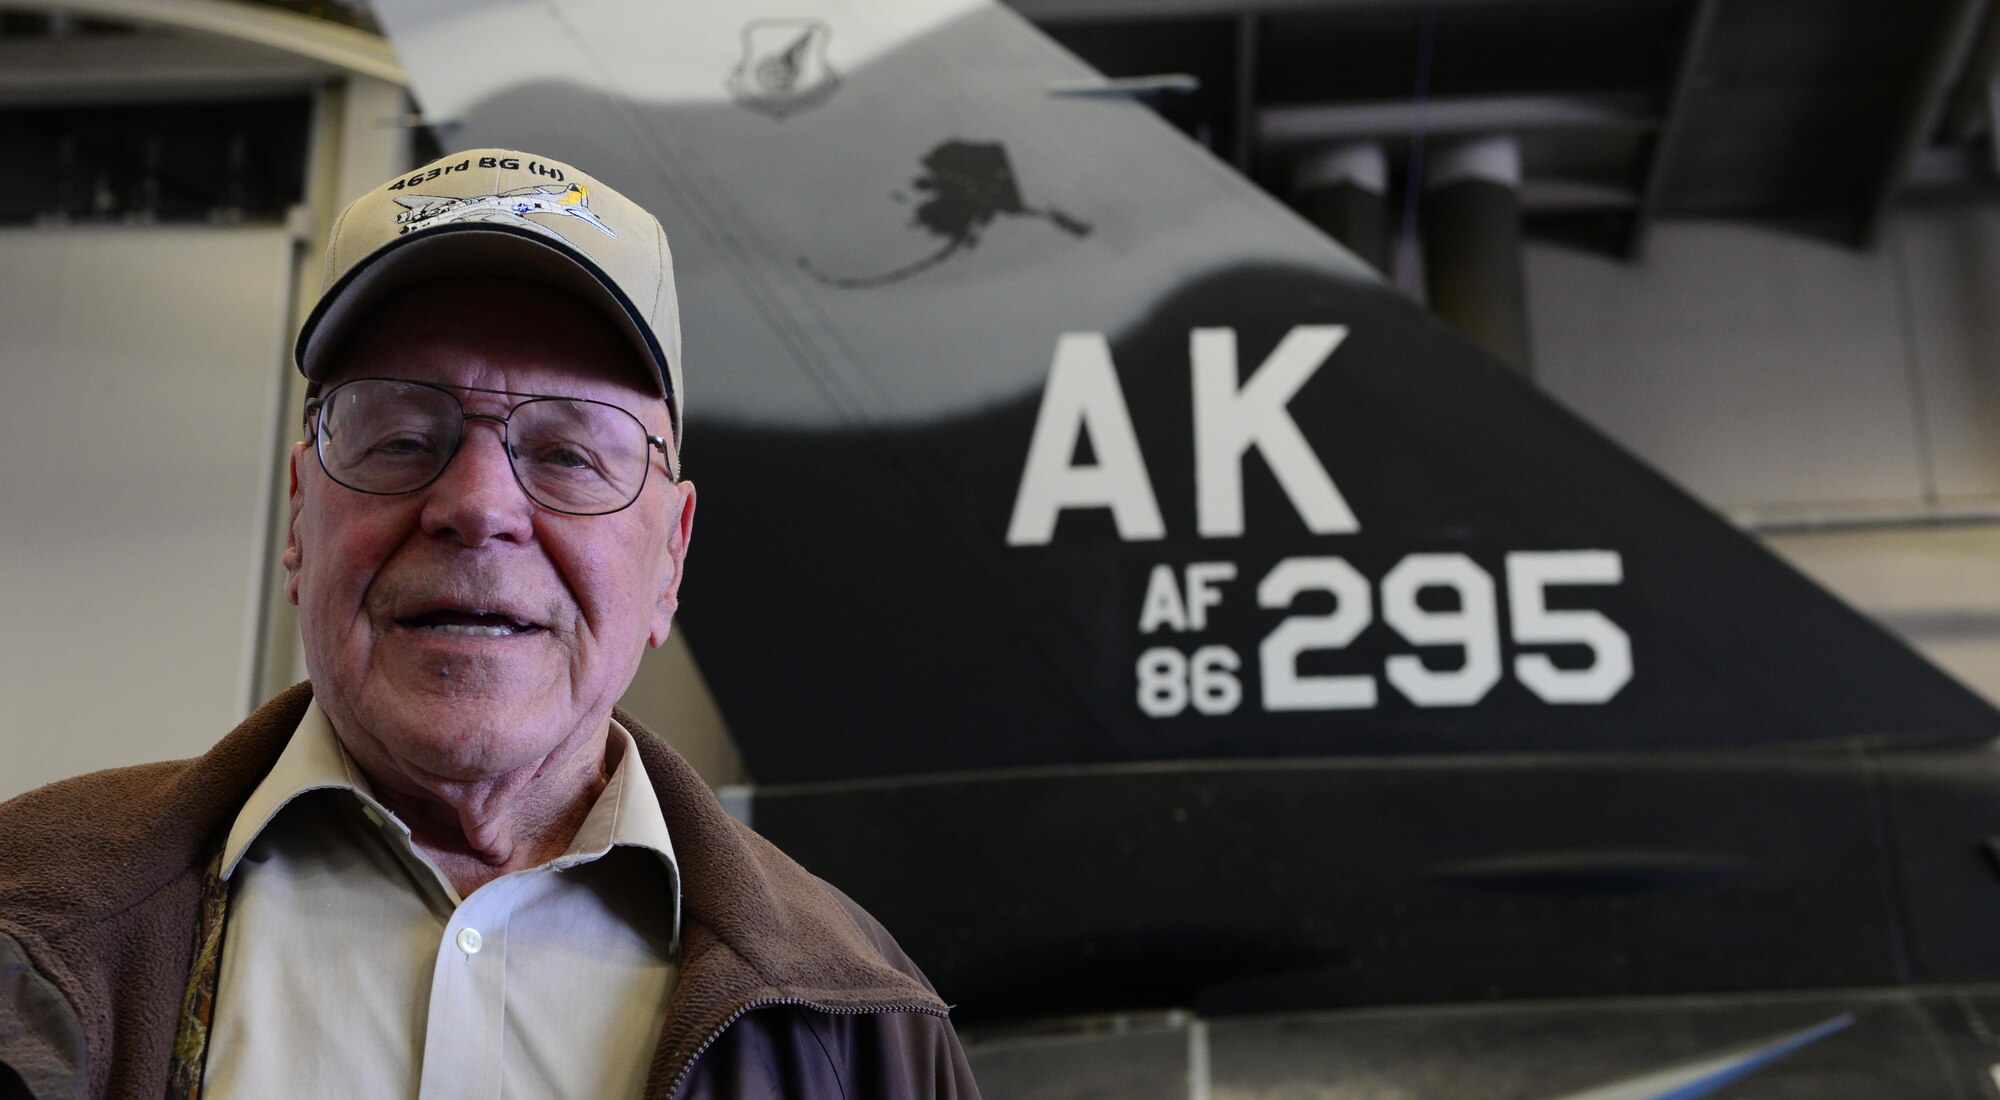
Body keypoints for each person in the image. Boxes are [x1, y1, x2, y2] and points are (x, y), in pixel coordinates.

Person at [0, 149, 979, 1100]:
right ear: (300, 513)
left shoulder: (866, 1029)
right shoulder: (23, 916)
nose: (475, 505)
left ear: (671, 556)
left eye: (567, 454)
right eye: (399, 437)